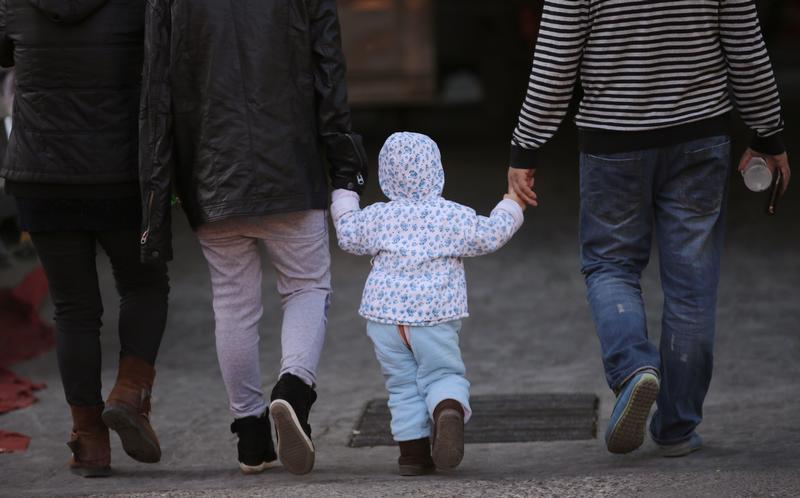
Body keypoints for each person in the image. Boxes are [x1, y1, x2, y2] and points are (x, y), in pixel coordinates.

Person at [508, 0, 791, 457]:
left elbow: (555, 62)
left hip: (612, 143)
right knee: (692, 284)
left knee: (610, 265)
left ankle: (634, 368)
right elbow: (746, 47)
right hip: (700, 137)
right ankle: (677, 425)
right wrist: (768, 133)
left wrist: (526, 147)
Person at [140, 0, 367, 475]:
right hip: (290, 163)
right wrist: (344, 166)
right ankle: (293, 390)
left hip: (209, 171)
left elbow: (156, 89)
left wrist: (161, 187)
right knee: (306, 286)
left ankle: (250, 435)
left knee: (233, 302)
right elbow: (328, 71)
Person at [0, 0, 170, 477]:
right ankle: (130, 394)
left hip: (41, 175)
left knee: (74, 308)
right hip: (121, 174)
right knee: (144, 285)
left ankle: (90, 441)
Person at [332, 132, 525, 475]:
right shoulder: (451, 216)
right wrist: (512, 203)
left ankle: (413, 456)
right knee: (442, 374)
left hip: (385, 319)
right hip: (433, 316)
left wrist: (344, 196)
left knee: (402, 386)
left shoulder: (379, 216)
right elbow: (490, 234)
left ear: (386, 175)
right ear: (437, 170)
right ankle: (447, 410)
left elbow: (348, 232)